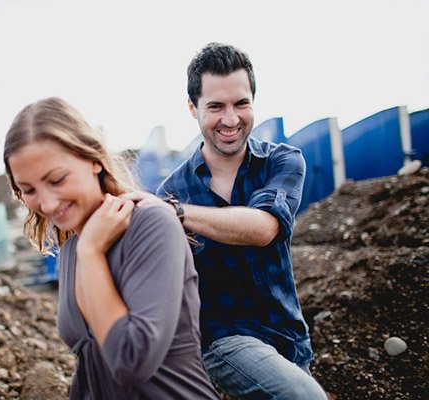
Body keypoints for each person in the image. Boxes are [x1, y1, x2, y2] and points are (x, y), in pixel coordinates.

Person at [123, 43, 328, 399]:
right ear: (193, 108)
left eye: (241, 103)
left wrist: (179, 213)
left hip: (289, 339)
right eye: (216, 106)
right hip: (224, 340)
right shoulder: (173, 189)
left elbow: (265, 229)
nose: (231, 119)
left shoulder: (281, 162)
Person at [3, 97, 220, 399]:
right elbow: (90, 370)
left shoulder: (150, 225)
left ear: (93, 159)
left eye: (57, 179)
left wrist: (92, 253)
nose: (48, 204)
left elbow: (131, 361)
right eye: (28, 190)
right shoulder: (70, 250)